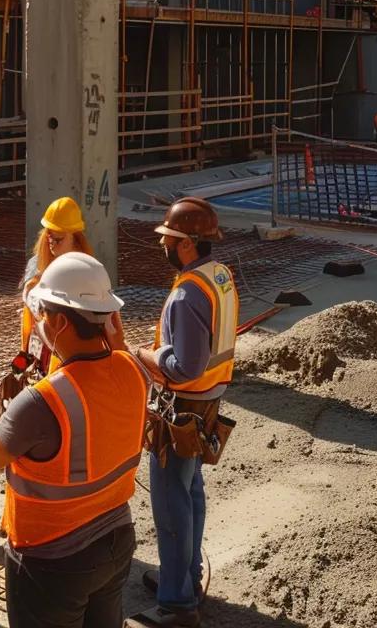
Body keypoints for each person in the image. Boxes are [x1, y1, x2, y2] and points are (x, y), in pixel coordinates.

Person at [0, 252, 145, 628]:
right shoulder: (133, 372)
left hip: (52, 561)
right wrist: (117, 339)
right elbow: (115, 361)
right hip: (116, 539)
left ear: (59, 322)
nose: (39, 321)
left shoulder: (42, 401)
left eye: (42, 314)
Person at [131, 197, 239, 628]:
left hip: (182, 408)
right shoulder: (219, 276)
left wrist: (145, 355)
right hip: (208, 402)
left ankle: (177, 604)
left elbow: (185, 367)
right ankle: (185, 578)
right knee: (190, 491)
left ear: (189, 244)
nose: (164, 246)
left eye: (170, 239)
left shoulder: (186, 294)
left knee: (171, 503)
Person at [18, 197, 126, 375]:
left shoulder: (87, 272)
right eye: (49, 236)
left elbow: (110, 323)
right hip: (42, 356)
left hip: (71, 357)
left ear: (75, 239)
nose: (51, 243)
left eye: (58, 239)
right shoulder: (36, 266)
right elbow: (31, 307)